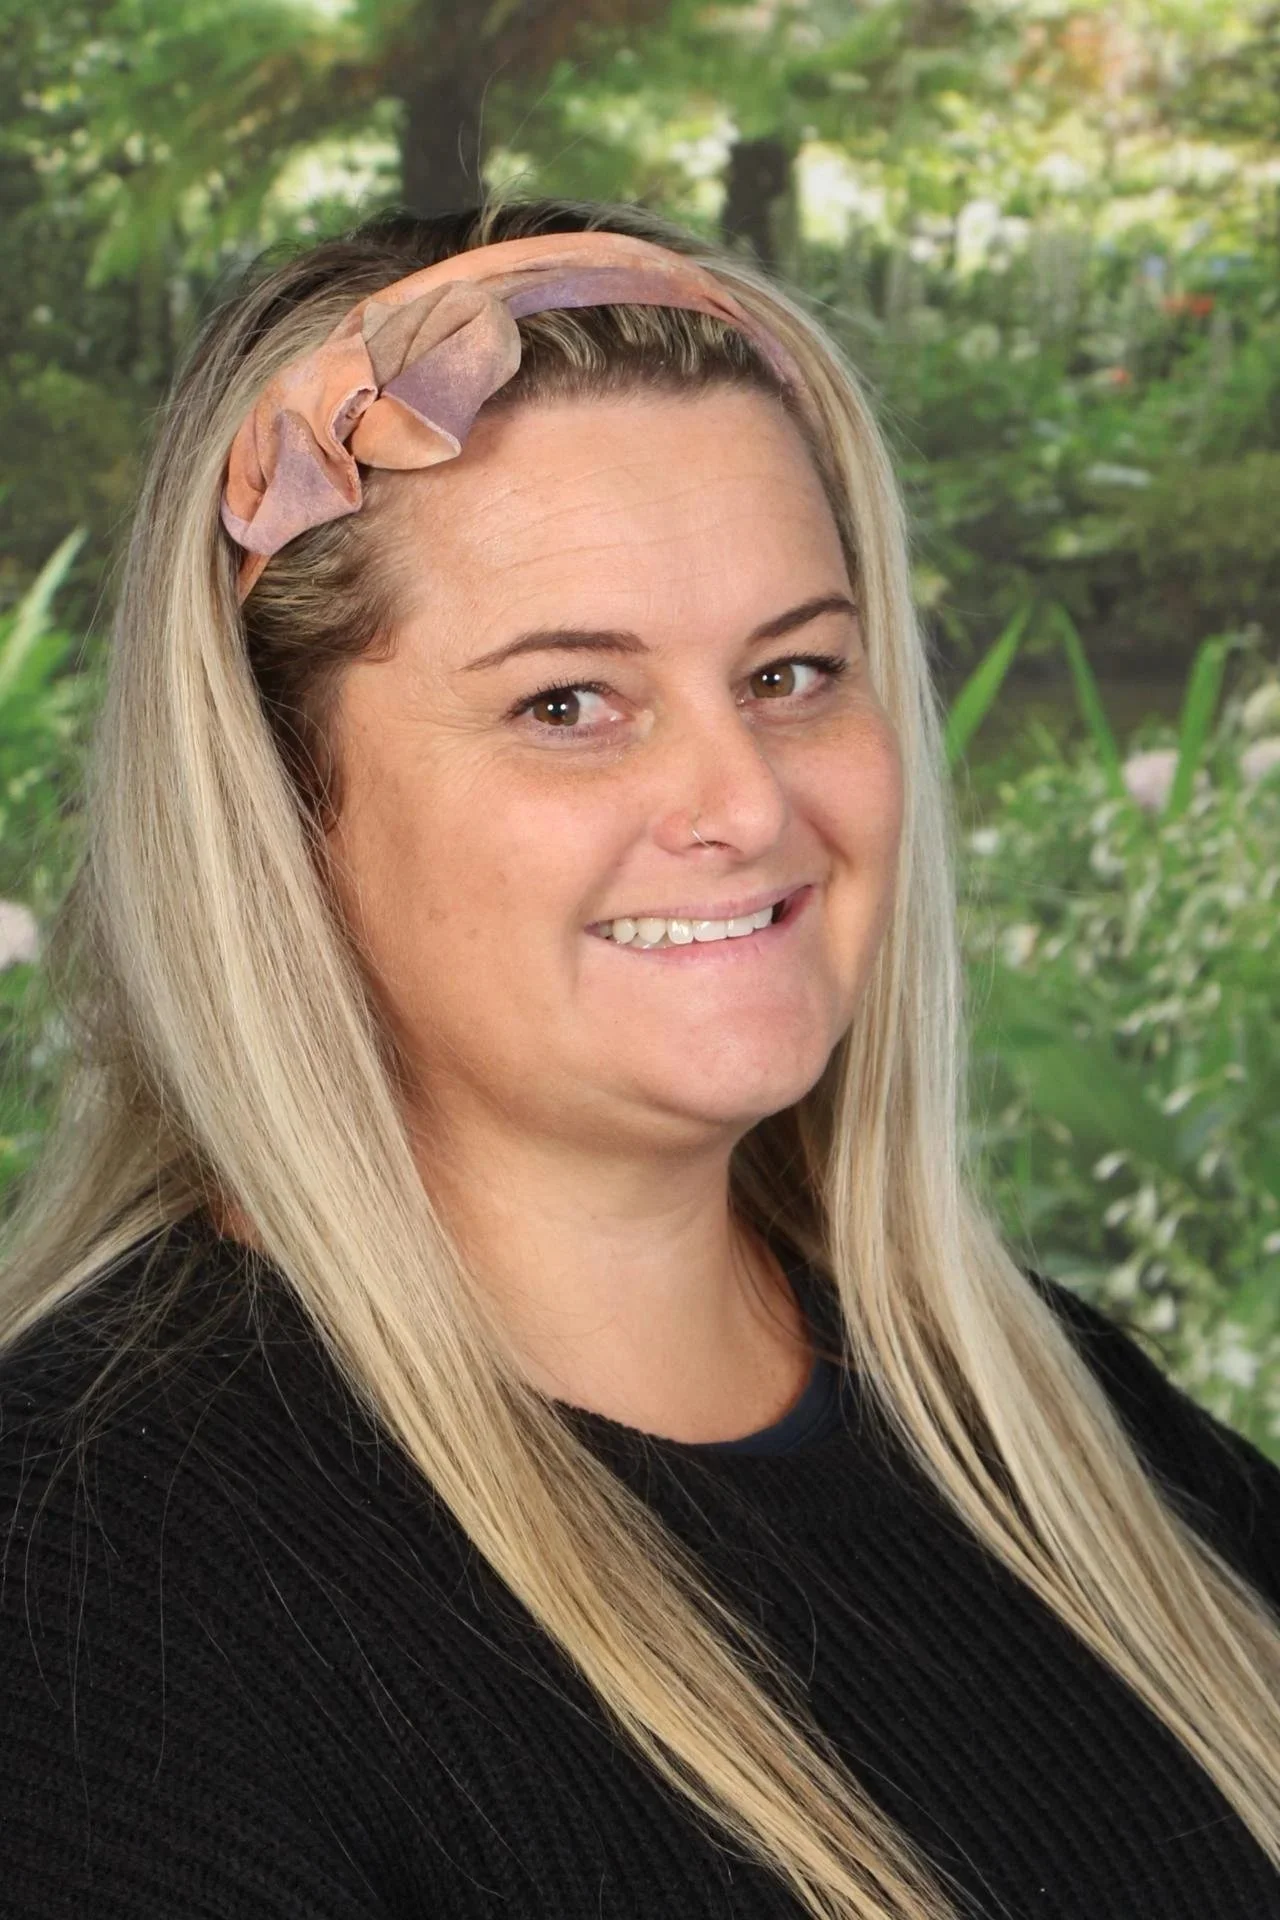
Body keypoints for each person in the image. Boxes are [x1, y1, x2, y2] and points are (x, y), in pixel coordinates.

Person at [0, 193, 1277, 1920]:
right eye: (568, 705)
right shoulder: (94, 1595)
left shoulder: (1051, 1417)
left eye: (795, 672)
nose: (746, 801)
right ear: (283, 810)